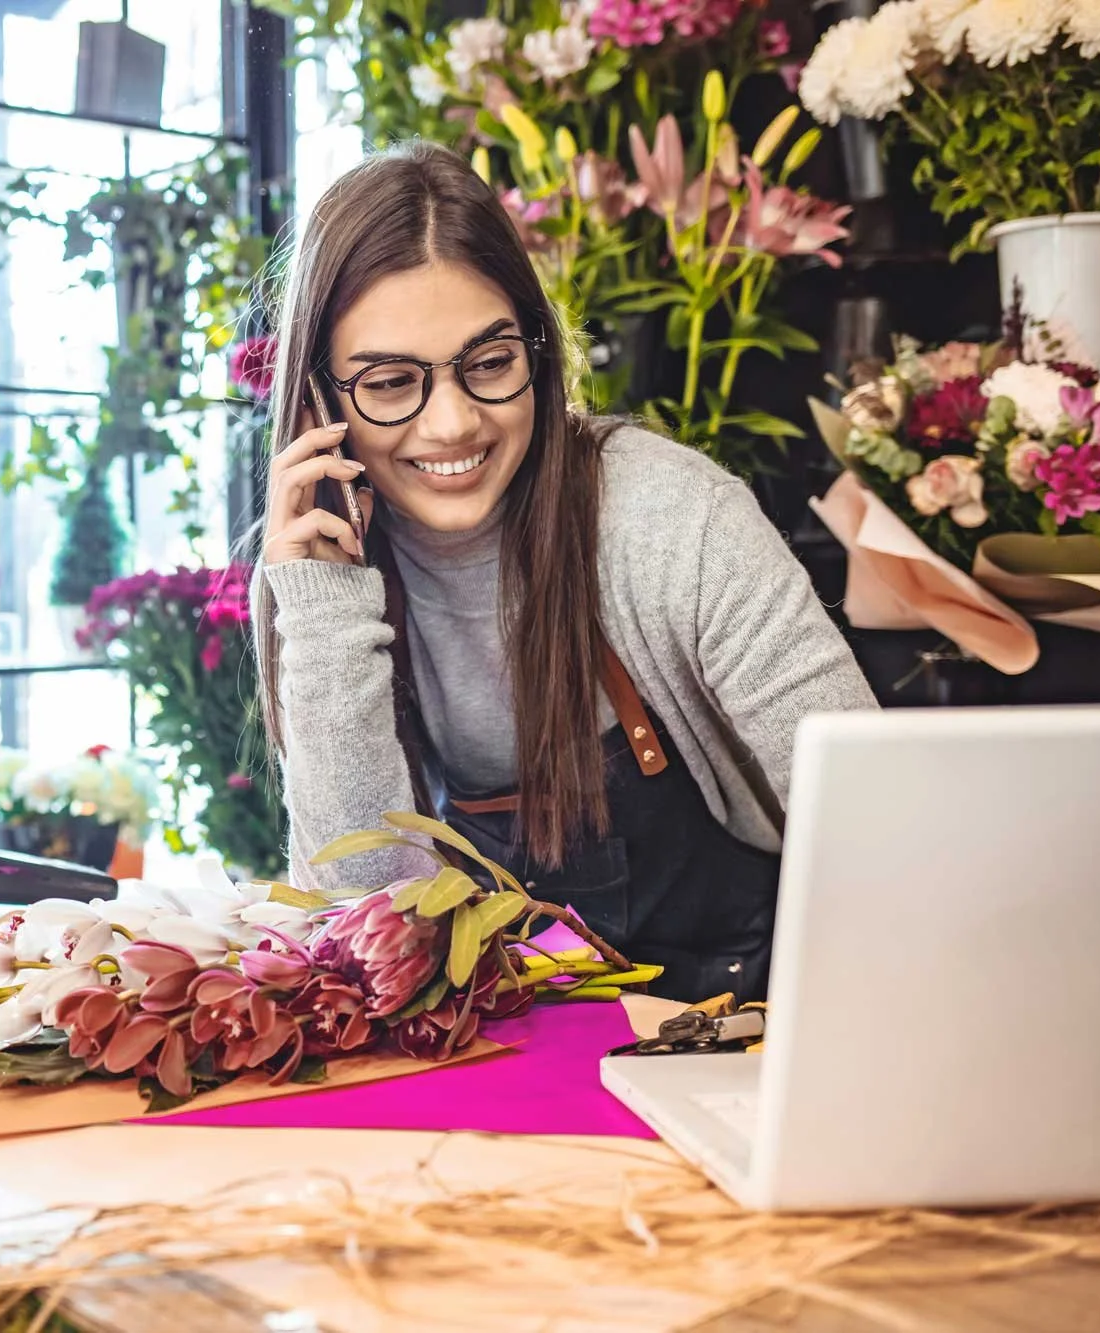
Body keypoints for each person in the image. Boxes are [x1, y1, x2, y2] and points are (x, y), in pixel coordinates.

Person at [250, 142, 876, 1004]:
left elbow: (875, 823)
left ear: (537, 353)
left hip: (729, 1019)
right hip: (485, 1036)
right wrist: (322, 612)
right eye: (392, 382)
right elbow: (361, 922)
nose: (453, 423)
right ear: (319, 401)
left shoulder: (668, 516)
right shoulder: (320, 556)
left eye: (491, 363)